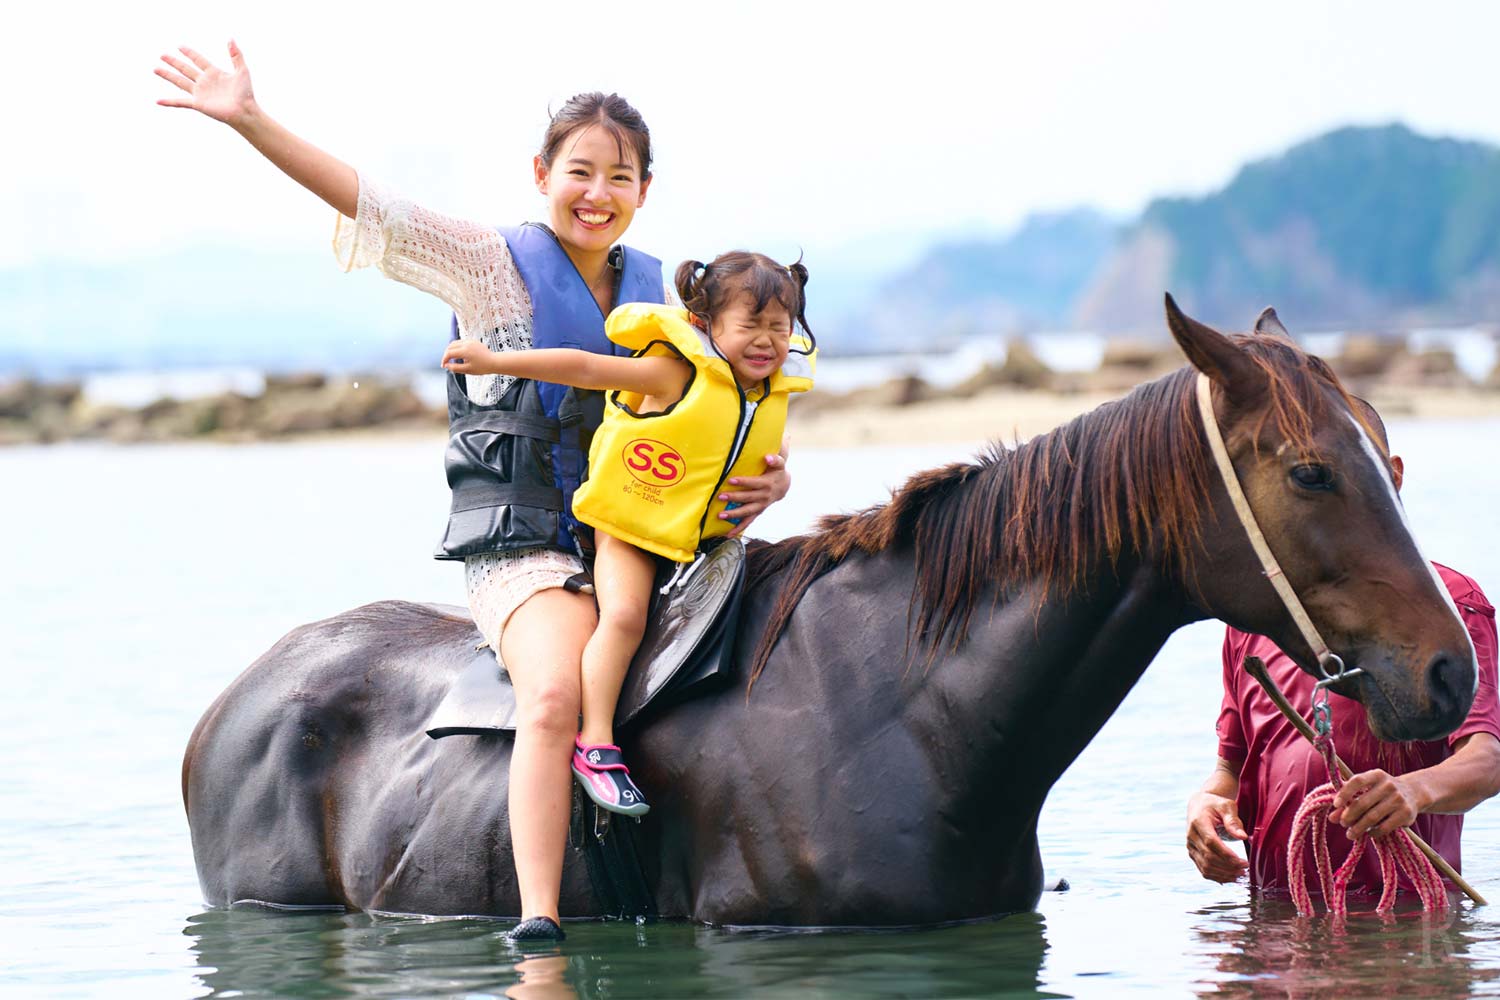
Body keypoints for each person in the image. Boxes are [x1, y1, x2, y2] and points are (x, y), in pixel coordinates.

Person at [155, 42, 794, 942]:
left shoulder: (673, 296)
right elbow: (372, 204)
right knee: (553, 695)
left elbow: (728, 404)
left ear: (646, 188)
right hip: (528, 550)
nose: (597, 194)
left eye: (620, 176)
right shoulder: (490, 267)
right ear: (542, 174)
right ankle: (538, 919)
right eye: (579, 172)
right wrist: (251, 119)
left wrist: (766, 478)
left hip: (646, 543)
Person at [442, 252, 815, 818]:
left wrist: (781, 478)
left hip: (702, 546)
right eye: (749, 325)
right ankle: (595, 744)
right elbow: (589, 369)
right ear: (704, 324)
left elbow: (767, 449)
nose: (766, 342)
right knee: (623, 618)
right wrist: (498, 359)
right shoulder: (676, 372)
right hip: (631, 533)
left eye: (778, 329)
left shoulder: (766, 393)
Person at [1185, 408, 1500, 898]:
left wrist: (1414, 791)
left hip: (1405, 921)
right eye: (1313, 479)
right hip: (1276, 921)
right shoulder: (1254, 616)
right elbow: (1231, 768)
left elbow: (1486, 760)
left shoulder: (1449, 604)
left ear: (1393, 477)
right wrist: (1204, 807)